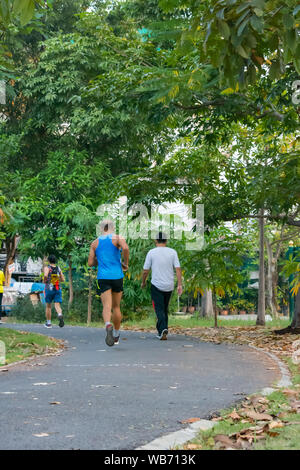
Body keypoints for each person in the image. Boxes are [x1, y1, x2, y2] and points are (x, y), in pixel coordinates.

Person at [88, 220, 129, 347]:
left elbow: (90, 263)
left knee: (106, 305)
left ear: (101, 228)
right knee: (116, 307)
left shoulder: (95, 243)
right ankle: (116, 334)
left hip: (103, 277)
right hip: (117, 276)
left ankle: (108, 325)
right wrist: (125, 263)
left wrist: (98, 260)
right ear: (113, 227)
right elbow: (126, 248)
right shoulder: (117, 238)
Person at [141, 232, 182, 340]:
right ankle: (162, 331)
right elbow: (178, 269)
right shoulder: (173, 252)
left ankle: (163, 328)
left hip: (156, 285)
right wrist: (179, 284)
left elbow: (145, 270)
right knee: (164, 308)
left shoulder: (151, 252)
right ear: (166, 241)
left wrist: (143, 282)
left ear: (156, 241)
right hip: (169, 285)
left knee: (159, 309)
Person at [43, 255, 65, 328]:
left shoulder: (47, 268)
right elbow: (63, 279)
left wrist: (44, 280)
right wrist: (57, 279)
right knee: (57, 305)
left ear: (49, 261)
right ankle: (59, 314)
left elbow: (46, 275)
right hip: (57, 288)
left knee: (48, 306)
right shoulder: (58, 268)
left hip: (49, 289)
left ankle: (48, 323)